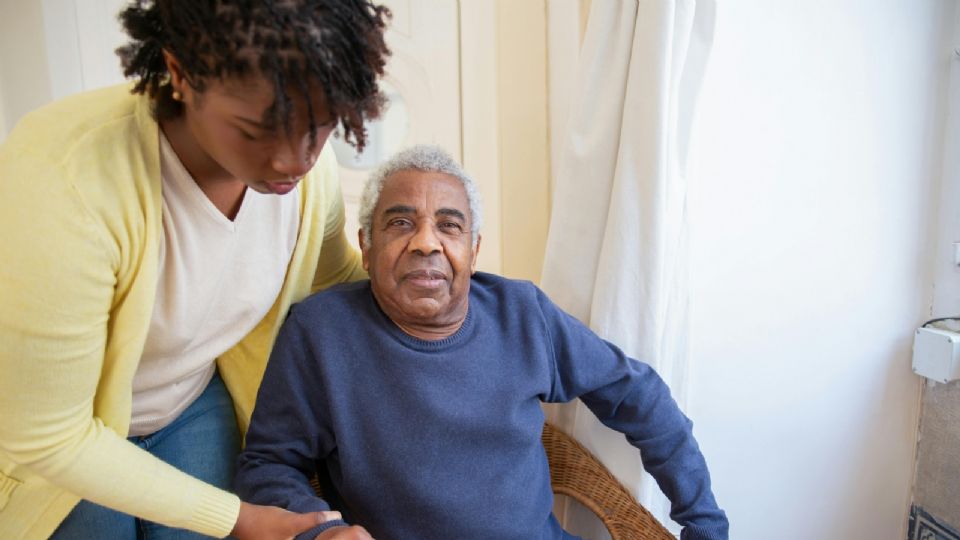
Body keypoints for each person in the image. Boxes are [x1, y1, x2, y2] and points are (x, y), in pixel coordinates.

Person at [0, 1, 392, 538]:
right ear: (180, 72)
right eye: (256, 131)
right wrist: (238, 519)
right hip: (59, 438)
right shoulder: (66, 179)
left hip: (191, 401)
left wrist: (457, 317)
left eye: (320, 128)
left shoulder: (310, 180)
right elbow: (46, 434)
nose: (294, 161)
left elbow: (333, 280)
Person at [234, 145, 730, 540]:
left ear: (473, 252)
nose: (426, 242)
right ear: (366, 247)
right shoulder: (321, 332)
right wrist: (322, 532)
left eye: (449, 226)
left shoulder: (523, 313)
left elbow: (639, 396)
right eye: (400, 222)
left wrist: (703, 522)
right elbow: (267, 466)